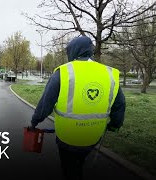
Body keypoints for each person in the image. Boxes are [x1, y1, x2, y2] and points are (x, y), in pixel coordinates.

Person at [29, 36, 126, 180]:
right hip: (93, 136)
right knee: (79, 163)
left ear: (72, 52)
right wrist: (115, 125)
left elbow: (45, 104)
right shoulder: (109, 74)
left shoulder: (63, 73)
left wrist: (34, 122)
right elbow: (120, 104)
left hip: (67, 138)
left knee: (69, 169)